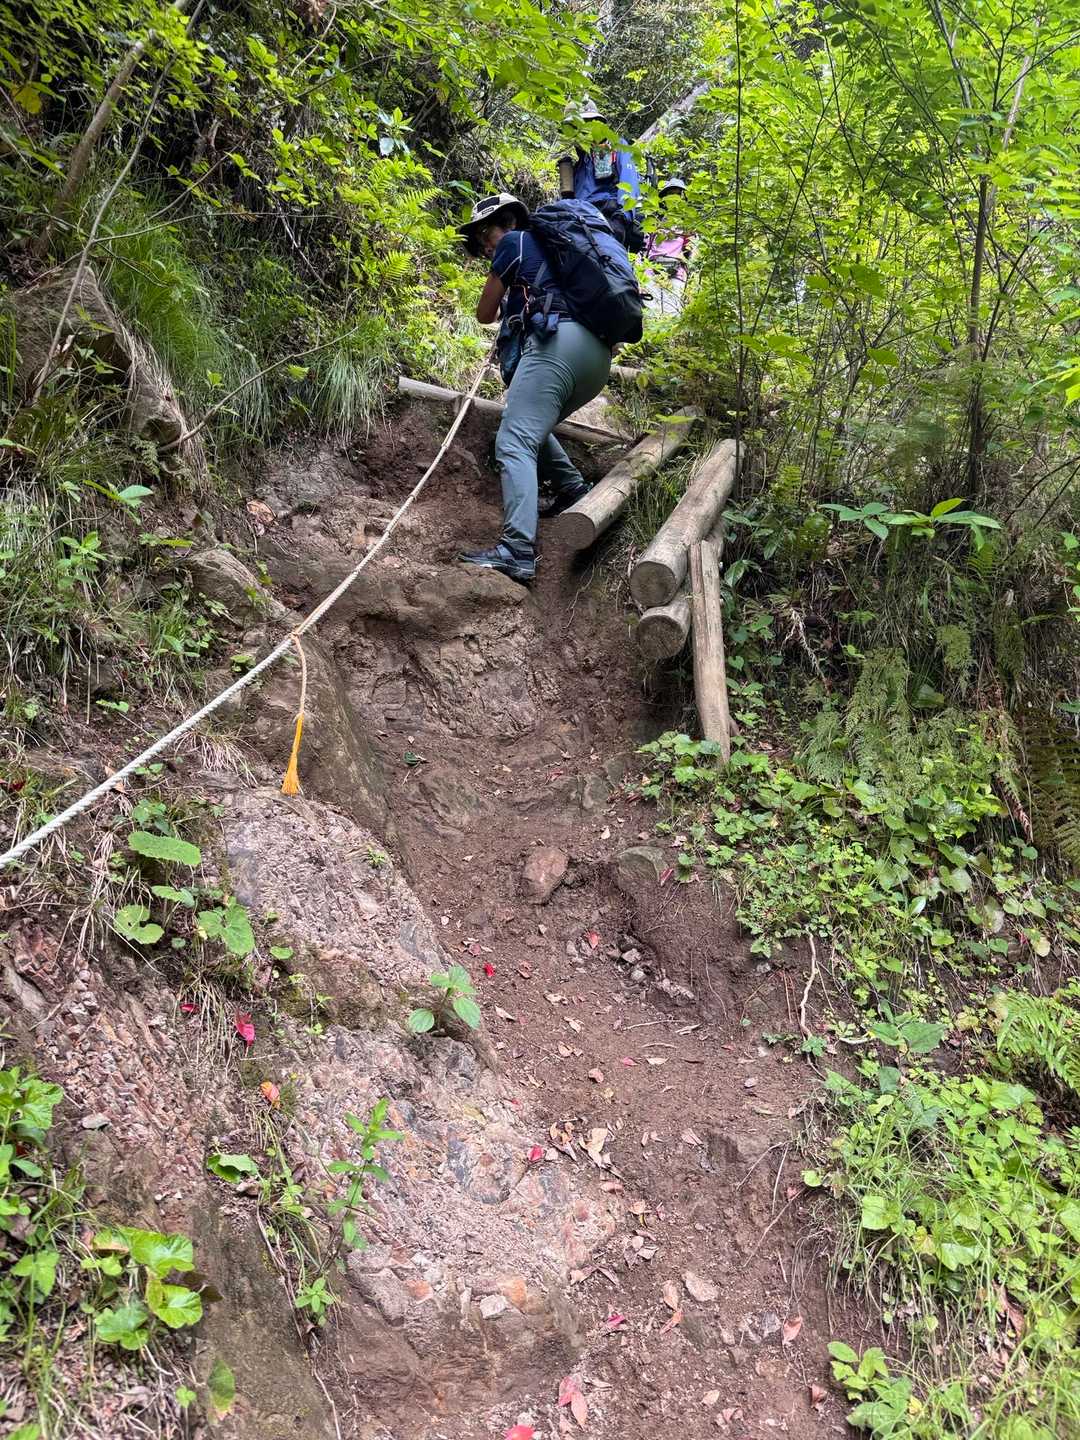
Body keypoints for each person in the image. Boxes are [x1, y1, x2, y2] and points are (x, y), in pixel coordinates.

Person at [457, 192, 613, 583]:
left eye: (485, 234)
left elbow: (484, 313)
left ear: (508, 222)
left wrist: (503, 287)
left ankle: (517, 549)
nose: (485, 245)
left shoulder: (514, 242)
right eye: (479, 242)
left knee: (513, 441)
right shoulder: (557, 253)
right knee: (529, 426)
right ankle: (573, 489)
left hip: (557, 345)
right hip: (595, 358)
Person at [564, 98, 644, 253]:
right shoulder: (579, 165)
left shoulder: (617, 147)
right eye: (574, 127)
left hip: (607, 218)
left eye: (585, 124)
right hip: (578, 220)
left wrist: (621, 218)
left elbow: (629, 182)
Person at [643, 177, 693, 317]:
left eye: (678, 194)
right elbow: (644, 247)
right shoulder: (654, 220)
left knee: (672, 313)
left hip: (676, 272)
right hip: (652, 270)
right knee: (652, 313)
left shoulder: (687, 223)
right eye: (671, 194)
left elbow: (691, 249)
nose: (674, 198)